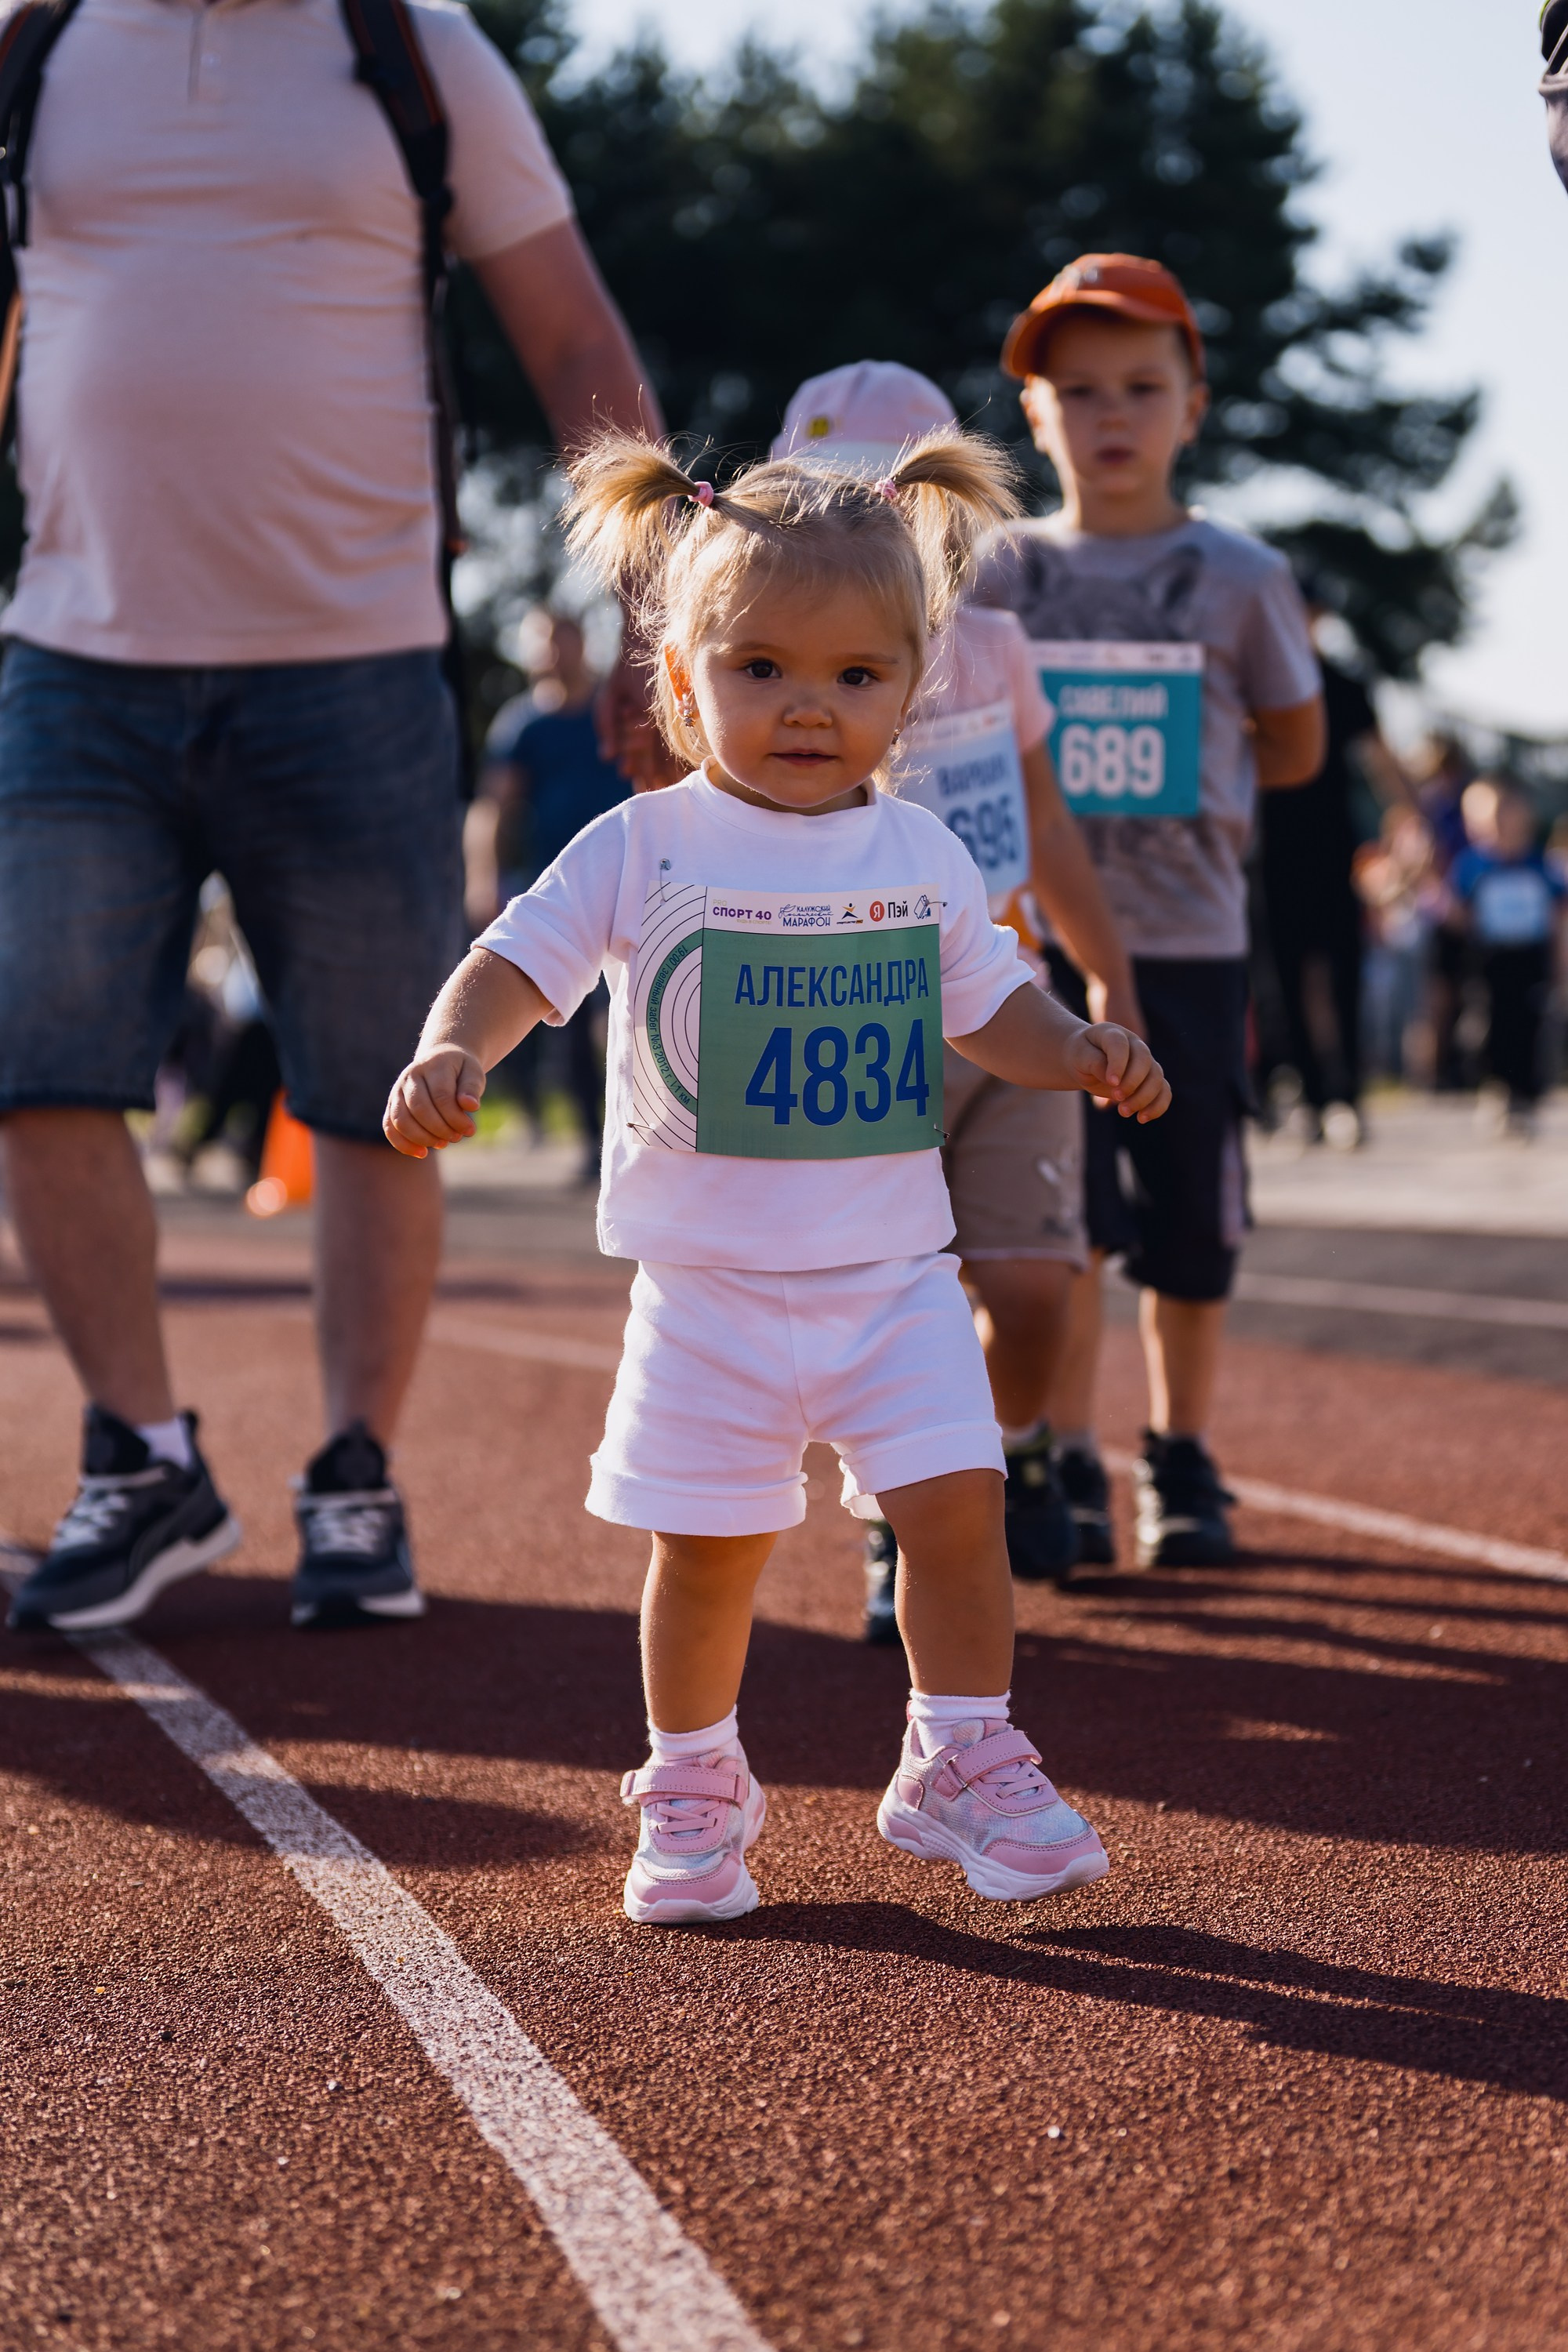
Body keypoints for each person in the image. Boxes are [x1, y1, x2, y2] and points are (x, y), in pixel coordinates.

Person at [384, 430, 1171, 1923]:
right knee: (709, 1553)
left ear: (914, 687)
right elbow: (512, 965)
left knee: (956, 1508)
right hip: (711, 1293)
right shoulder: (643, 845)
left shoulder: (926, 852)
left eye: (856, 676)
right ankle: (692, 1781)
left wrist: (1073, 1043)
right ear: (680, 680)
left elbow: (986, 1004)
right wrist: (452, 1052)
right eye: (760, 669)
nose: (809, 703)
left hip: (892, 1279)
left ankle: (961, 1754)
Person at [1, 0, 656, 1635]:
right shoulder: (32, 46)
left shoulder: (417, 51)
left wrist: (656, 604)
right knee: (37, 1063)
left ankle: (357, 1474)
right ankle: (144, 1457)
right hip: (75, 654)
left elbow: (575, 345)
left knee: (385, 1093)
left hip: (352, 663)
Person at [768, 361, 1143, 1612]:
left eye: (886, 502)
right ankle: (906, 1522)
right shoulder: (761, 672)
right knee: (886, 1310)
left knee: (1031, 1291)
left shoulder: (990, 652)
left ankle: (1023, 1439)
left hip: (1003, 1009)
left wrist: (1111, 979)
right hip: (852, 1029)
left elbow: (1049, 826)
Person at [972, 254, 1325, 1570]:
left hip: (1188, 945)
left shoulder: (1238, 576)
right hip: (1029, 955)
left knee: (1191, 1215)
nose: (1110, 415)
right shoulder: (995, 575)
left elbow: (1294, 745)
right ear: (1036, 415)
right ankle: (1066, 1456)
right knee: (1054, 1221)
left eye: (1140, 386)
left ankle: (1181, 1453)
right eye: (1078, 391)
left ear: (1194, 401)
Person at [468, 610, 629, 1176]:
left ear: (581, 643)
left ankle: (643, 1135)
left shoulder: (617, 708)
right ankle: (593, 1141)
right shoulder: (523, 726)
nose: (554, 652)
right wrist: (484, 878)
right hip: (561, 889)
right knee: (572, 1022)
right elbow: (494, 807)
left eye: (562, 639)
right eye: (543, 643)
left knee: (624, 1017)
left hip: (634, 877)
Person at [1255, 597, 1410, 1149]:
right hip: (1269, 851)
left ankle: (1349, 1096)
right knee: (1284, 980)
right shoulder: (1256, 682)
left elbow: (1381, 761)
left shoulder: (1342, 683)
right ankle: (1310, 1096)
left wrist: (1409, 820)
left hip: (1334, 851)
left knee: (1344, 973)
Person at [1449, 779, 1566, 1134]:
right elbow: (1457, 912)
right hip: (1489, 962)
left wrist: (1561, 967)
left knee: (1530, 1026)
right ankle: (1496, 1089)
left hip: (1529, 959)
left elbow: (1557, 917)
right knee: (1490, 1027)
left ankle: (1526, 1095)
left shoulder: (1539, 866)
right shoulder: (1472, 865)